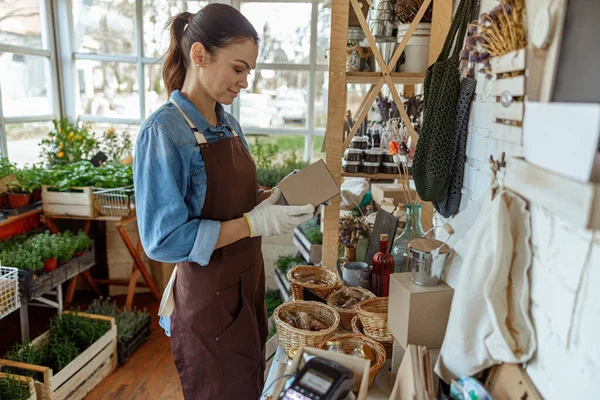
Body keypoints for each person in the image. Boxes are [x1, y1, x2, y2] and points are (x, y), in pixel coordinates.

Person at [133, 5, 315, 399]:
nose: (245, 82)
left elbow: (237, 204)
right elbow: (163, 240)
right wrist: (255, 224)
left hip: (246, 291)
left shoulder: (227, 123)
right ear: (199, 55)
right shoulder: (164, 133)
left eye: (249, 71)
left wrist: (276, 198)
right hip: (208, 305)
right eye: (238, 68)